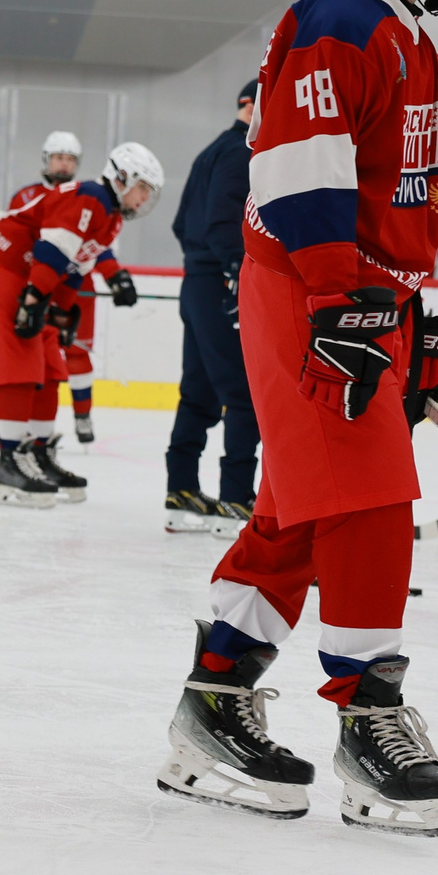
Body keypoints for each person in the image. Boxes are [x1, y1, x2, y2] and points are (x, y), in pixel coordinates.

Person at [158, 0, 438, 839]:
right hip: (310, 290)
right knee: (371, 499)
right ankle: (368, 711)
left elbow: (398, 194)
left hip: (361, 297)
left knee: (299, 506)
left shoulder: (409, 39)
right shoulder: (338, 22)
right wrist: (342, 299)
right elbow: (300, 167)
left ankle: (213, 702)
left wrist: (408, 313)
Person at [0, 144, 162, 505]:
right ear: (122, 178)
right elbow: (52, 251)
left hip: (32, 279)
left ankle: (38, 454)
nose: (144, 198)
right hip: (3, 269)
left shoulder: (111, 217)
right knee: (21, 368)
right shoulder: (90, 197)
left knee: (51, 370)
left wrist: (60, 311)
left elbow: (74, 268)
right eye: (143, 188)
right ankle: (9, 463)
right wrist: (33, 302)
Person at [163, 78, 260, 536]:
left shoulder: (210, 151)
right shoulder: (241, 152)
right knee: (244, 394)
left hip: (198, 283)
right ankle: (236, 498)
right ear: (252, 107)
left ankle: (181, 491)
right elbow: (222, 220)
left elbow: (182, 223)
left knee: (200, 392)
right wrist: (236, 271)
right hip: (222, 283)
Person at [6, 131, 105, 441]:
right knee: (32, 354)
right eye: (59, 158)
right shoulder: (25, 197)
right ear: (46, 160)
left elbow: (99, 241)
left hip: (75, 284)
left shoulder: (86, 197)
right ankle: (28, 422)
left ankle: (83, 416)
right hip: (38, 283)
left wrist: (115, 275)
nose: (64, 164)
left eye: (70, 159)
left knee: (77, 350)